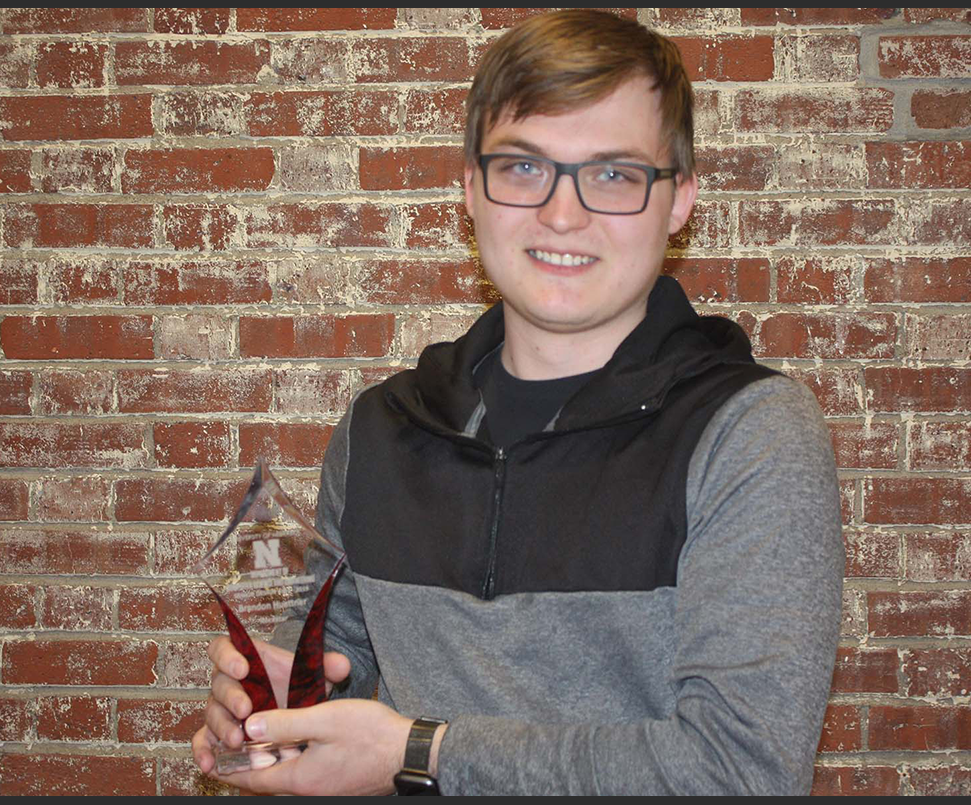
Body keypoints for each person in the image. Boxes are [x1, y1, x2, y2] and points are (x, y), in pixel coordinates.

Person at [192, 9, 844, 795]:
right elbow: (343, 678)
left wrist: (423, 750)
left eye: (613, 174)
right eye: (523, 167)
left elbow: (742, 772)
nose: (561, 214)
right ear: (470, 189)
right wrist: (272, 710)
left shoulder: (749, 432)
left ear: (678, 201)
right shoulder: (378, 429)